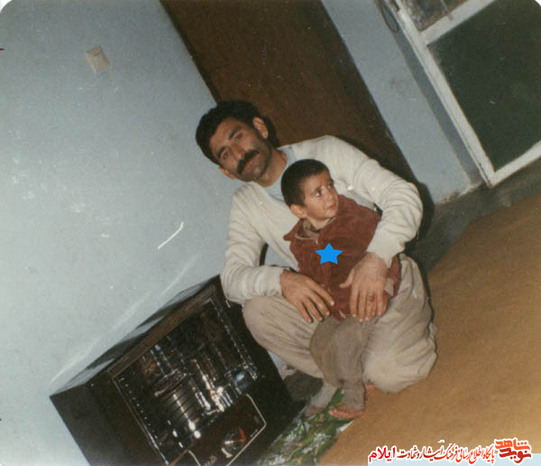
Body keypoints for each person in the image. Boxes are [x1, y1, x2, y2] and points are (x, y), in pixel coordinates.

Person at [195, 100, 437, 415]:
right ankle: (347, 370)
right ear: (226, 172)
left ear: (260, 128)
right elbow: (231, 280)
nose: (238, 153)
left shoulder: (326, 151)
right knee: (257, 311)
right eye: (225, 154)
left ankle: (401, 335)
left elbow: (402, 195)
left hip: (384, 279)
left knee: (394, 375)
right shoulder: (245, 204)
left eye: (237, 136)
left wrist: (376, 257)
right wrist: (282, 280)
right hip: (335, 301)